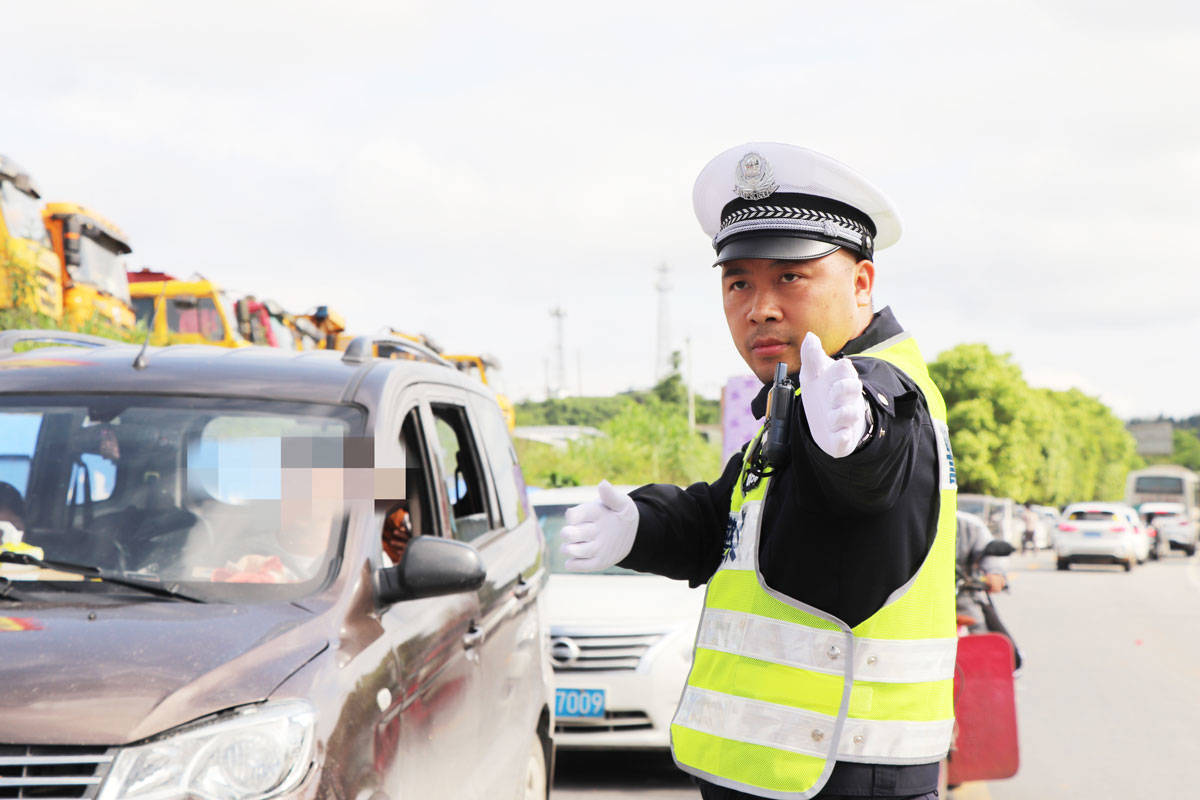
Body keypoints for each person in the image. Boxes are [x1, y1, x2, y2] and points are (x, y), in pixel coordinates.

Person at [560, 143, 958, 800]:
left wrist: (856, 437)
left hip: (842, 777)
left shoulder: (877, 392)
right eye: (739, 281)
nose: (760, 307)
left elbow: (874, 464)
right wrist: (639, 525)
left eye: (791, 277)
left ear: (861, 284)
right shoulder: (796, 402)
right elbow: (720, 520)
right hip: (777, 778)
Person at [955, 510, 1009, 634]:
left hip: (963, 598)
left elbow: (988, 552)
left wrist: (994, 573)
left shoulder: (969, 524)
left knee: (982, 635)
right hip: (916, 604)